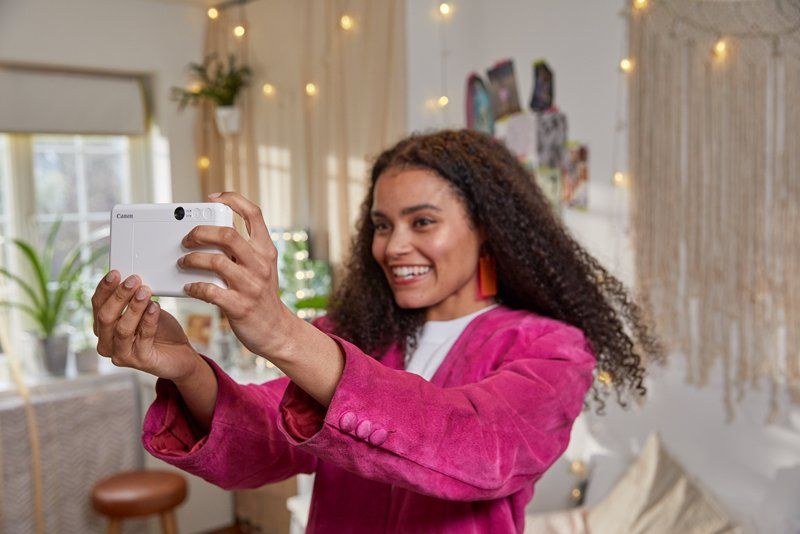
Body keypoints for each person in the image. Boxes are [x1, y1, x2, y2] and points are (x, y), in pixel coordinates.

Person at [91, 129, 660, 533]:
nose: (393, 246)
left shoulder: (552, 349)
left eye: (423, 222)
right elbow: (262, 441)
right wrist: (186, 366)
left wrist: (283, 332)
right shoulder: (357, 330)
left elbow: (481, 450)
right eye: (382, 225)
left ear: (487, 231)